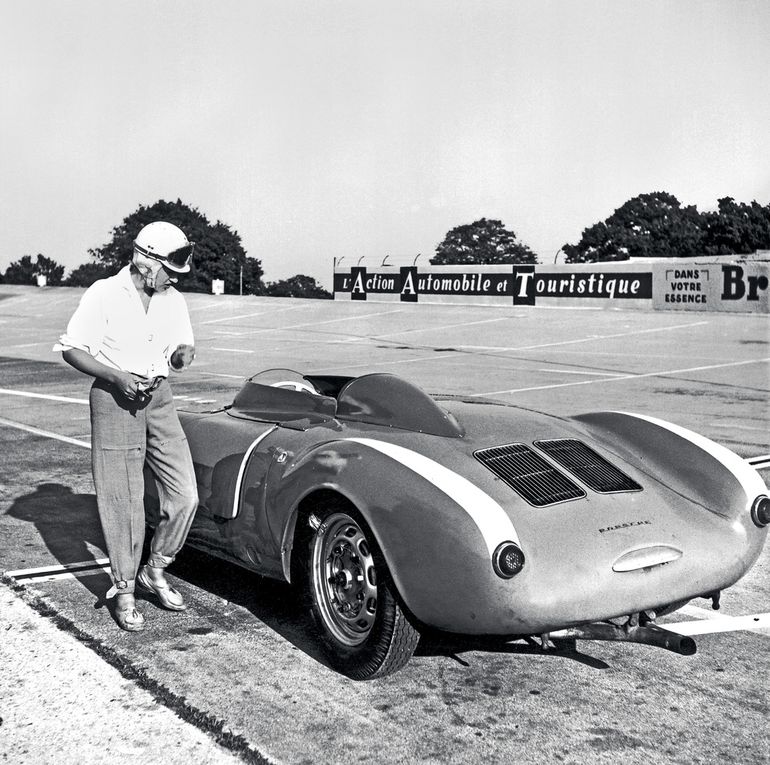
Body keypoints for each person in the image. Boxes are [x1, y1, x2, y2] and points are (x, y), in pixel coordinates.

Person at [54, 221, 199, 631]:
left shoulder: (173, 300)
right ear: (146, 260)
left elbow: (178, 352)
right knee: (124, 501)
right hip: (114, 398)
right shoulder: (104, 293)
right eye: (170, 270)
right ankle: (125, 589)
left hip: (159, 398)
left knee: (184, 493)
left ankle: (156, 568)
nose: (174, 279)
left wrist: (181, 357)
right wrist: (118, 377)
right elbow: (73, 349)